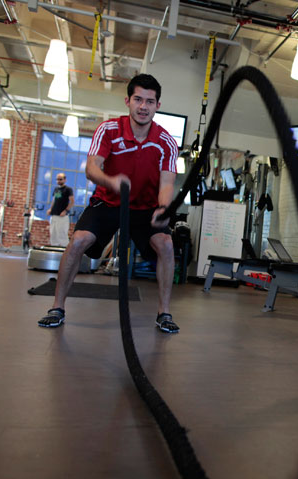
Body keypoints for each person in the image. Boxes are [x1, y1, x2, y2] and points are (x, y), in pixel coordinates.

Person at [38, 73, 181, 333]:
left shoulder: (167, 142)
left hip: (145, 208)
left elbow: (167, 183)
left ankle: (164, 313)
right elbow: (92, 169)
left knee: (167, 245)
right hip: (108, 201)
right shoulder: (109, 130)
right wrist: (112, 181)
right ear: (128, 100)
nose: (143, 106)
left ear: (157, 106)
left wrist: (162, 208)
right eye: (138, 99)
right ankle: (57, 307)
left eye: (150, 101)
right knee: (79, 240)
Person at [47, 173, 74, 247]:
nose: (58, 181)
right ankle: (54, 247)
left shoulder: (68, 189)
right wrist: (50, 209)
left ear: (65, 180)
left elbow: (72, 201)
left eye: (60, 179)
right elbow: (54, 200)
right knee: (53, 233)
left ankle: (64, 249)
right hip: (54, 214)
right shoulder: (56, 189)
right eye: (57, 179)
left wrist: (66, 211)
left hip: (62, 216)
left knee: (62, 233)